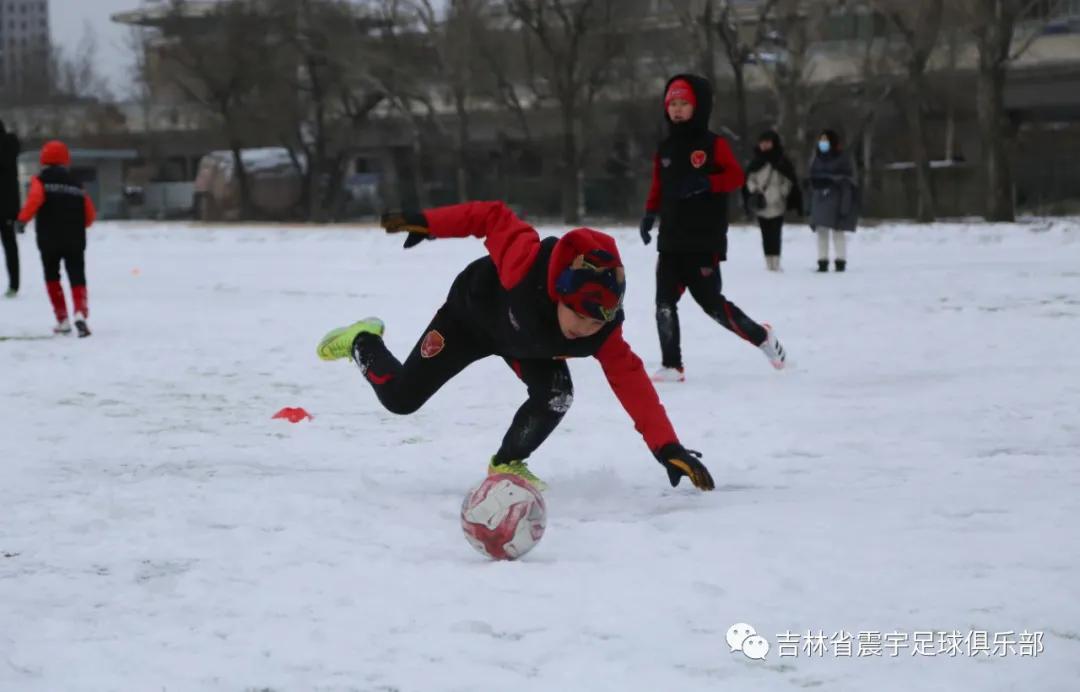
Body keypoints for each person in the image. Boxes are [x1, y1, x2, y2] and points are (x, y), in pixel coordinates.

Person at [316, 201, 715, 492]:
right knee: (400, 399)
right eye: (580, 316)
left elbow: (632, 382)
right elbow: (491, 216)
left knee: (557, 394)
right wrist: (428, 223)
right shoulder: (524, 262)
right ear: (559, 294)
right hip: (470, 319)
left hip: (526, 344)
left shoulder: (601, 330)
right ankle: (362, 339)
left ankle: (507, 463)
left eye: (598, 321)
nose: (586, 329)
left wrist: (666, 446)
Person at [638, 74, 786, 382]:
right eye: (672, 104)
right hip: (671, 238)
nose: (677, 110)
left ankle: (762, 336)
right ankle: (671, 364)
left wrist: (707, 181)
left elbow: (735, 178)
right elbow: (658, 185)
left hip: (703, 239)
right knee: (663, 303)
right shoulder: (665, 148)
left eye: (684, 104)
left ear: (698, 107)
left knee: (712, 305)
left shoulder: (713, 144)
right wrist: (650, 214)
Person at [16, 140, 96, 336]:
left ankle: (62, 319)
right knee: (77, 276)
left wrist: (22, 220)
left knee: (52, 277)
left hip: (49, 239)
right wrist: (79, 225)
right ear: (65, 160)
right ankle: (80, 312)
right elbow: (90, 214)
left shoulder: (40, 180)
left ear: (44, 159)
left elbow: (34, 200)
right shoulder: (76, 184)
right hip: (75, 239)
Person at [742, 130, 801, 272]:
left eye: (767, 142)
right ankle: (768, 260)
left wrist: (782, 192)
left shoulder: (781, 160)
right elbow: (749, 180)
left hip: (777, 203)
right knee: (765, 234)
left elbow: (788, 180)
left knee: (776, 233)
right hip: (761, 203)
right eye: (762, 142)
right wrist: (755, 190)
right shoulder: (755, 161)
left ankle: (776, 260)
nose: (764, 145)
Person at [807, 129, 860, 272]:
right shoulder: (816, 158)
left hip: (836, 196)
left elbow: (847, 179)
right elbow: (811, 176)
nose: (822, 143)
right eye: (821, 140)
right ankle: (822, 261)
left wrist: (845, 203)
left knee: (838, 230)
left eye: (825, 140)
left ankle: (840, 260)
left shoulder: (842, 158)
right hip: (819, 196)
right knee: (821, 231)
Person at [0, 119, 21, 298]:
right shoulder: (11, 146)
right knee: (10, 245)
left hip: (4, 204)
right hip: (9, 206)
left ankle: (13, 285)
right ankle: (14, 284)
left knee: (9, 245)